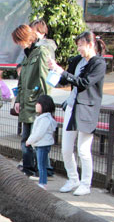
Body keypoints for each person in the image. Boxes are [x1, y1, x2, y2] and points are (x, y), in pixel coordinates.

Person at [53, 30, 106, 196]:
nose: (79, 49)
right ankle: (73, 178)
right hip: (71, 106)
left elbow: (84, 83)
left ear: (90, 45)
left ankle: (85, 183)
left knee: (83, 149)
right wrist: (56, 72)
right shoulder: (77, 61)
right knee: (66, 148)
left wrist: (62, 72)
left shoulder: (98, 63)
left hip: (87, 109)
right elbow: (65, 79)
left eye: (81, 46)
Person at [11, 24, 52, 178]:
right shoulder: (27, 55)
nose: (19, 44)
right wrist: (18, 100)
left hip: (36, 103)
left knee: (37, 139)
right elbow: (21, 80)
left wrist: (43, 103)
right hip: (26, 102)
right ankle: (28, 167)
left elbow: (44, 79)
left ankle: (41, 169)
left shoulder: (40, 52)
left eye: (19, 40)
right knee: (26, 138)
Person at [24, 94, 56, 189]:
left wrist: (29, 141)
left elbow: (38, 133)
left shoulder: (44, 119)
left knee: (41, 165)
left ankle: (42, 183)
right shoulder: (44, 118)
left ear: (44, 105)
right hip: (41, 144)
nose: (36, 105)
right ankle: (42, 182)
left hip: (42, 145)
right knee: (41, 164)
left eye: (38, 103)